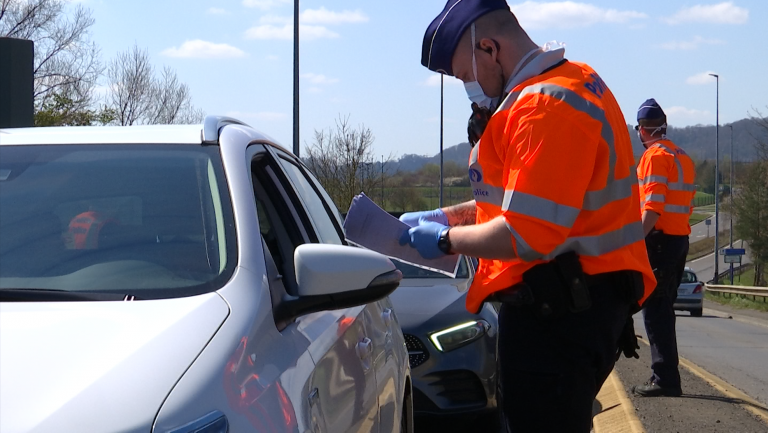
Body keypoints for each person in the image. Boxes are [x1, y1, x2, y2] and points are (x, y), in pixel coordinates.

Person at [400, 1, 657, 431]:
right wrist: (447, 217)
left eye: (466, 76)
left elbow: (528, 233)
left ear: (489, 49)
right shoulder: (575, 83)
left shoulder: (542, 105)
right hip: (578, 304)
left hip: (559, 315)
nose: (470, 88)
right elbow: (519, 203)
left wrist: (445, 242)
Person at [632, 99, 696, 397]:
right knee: (663, 309)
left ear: (643, 130)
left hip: (658, 242)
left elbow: (652, 207)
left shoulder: (654, 157)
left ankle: (665, 379)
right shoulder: (682, 156)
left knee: (655, 310)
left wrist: (634, 240)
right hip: (678, 240)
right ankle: (666, 374)